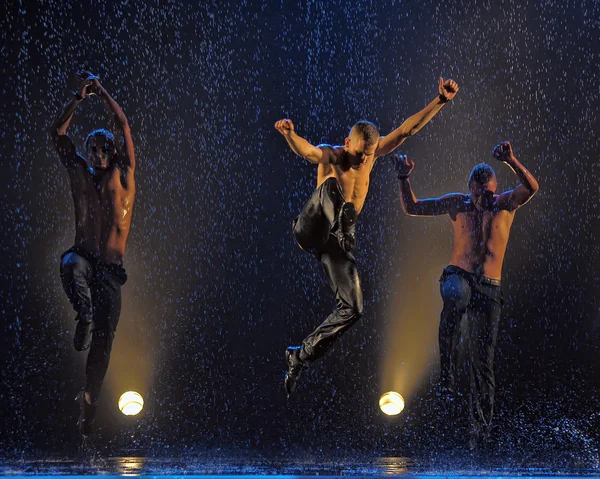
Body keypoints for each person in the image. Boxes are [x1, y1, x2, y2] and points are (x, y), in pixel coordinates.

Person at [275, 77, 460, 395]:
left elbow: (406, 130)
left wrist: (440, 101)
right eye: (358, 154)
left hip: (335, 245)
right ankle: (344, 224)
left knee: (353, 309)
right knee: (331, 187)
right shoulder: (335, 155)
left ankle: (300, 355)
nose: (362, 161)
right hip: (311, 228)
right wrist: (291, 135)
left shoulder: (372, 155)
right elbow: (308, 152)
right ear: (348, 144)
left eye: (367, 156)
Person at [394, 141, 539, 449]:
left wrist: (512, 159)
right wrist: (404, 179)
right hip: (459, 275)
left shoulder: (505, 203)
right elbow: (413, 207)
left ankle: (481, 434)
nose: (480, 200)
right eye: (475, 193)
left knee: (483, 363)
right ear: (469, 188)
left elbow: (532, 187)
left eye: (485, 194)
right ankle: (446, 377)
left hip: (489, 286)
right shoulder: (458, 203)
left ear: (494, 189)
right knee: (454, 296)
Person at [50, 70, 136, 436]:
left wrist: (101, 91)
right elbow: (57, 133)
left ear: (113, 152)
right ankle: (83, 314)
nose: (99, 155)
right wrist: (77, 96)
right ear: (87, 153)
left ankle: (88, 403)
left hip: (111, 270)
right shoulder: (78, 172)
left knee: (105, 341)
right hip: (84, 258)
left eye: (105, 150)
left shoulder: (125, 174)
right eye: (93, 150)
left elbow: (123, 123)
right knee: (70, 265)